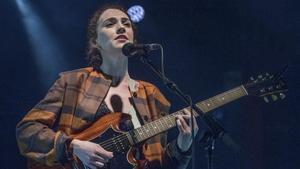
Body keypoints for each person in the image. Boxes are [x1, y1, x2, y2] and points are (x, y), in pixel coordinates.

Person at [16, 4, 198, 169]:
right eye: (110, 24)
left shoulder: (151, 94)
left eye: (126, 24)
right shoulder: (73, 82)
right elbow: (27, 130)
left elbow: (160, 165)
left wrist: (183, 146)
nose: (121, 27)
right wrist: (73, 146)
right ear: (96, 41)